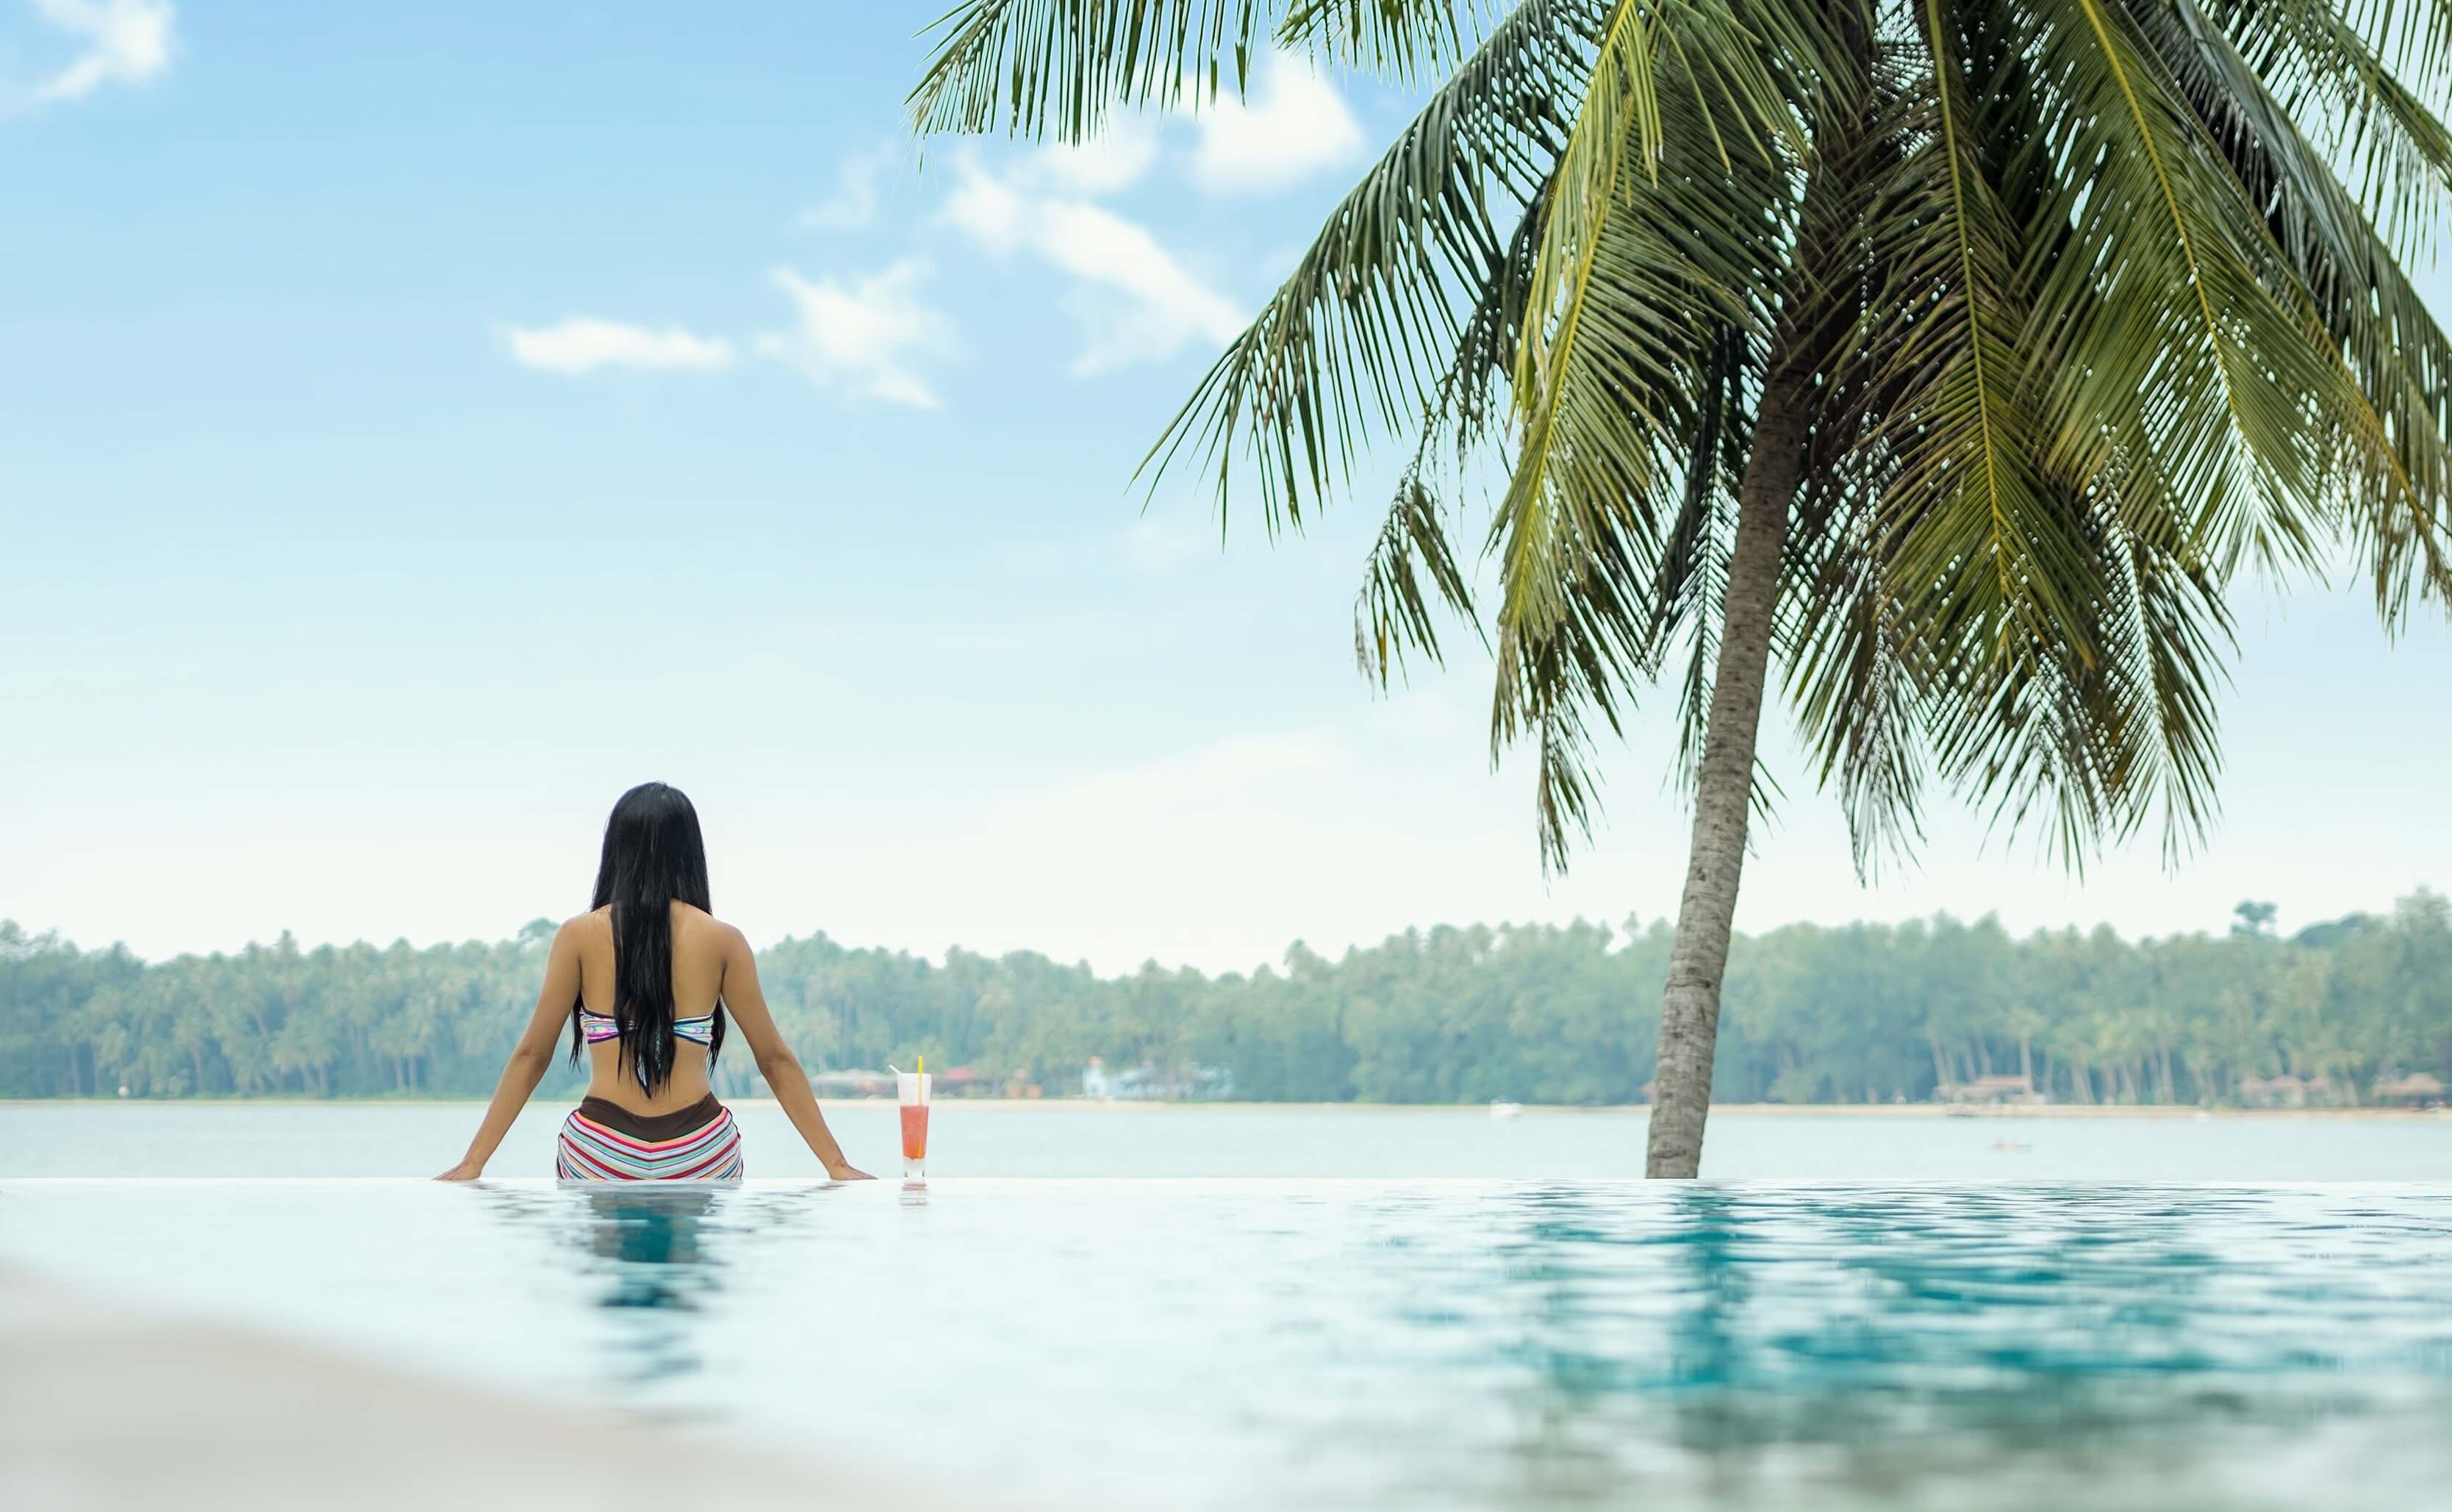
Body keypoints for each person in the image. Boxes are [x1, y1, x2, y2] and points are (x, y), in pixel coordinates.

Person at [437, 782, 871, 1182]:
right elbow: (774, 1060)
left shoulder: (578, 936)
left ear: (616, 851)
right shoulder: (722, 939)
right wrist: (836, 1164)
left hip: (600, 1148)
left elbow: (533, 1055)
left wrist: (473, 1163)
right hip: (700, 1149)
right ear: (690, 852)